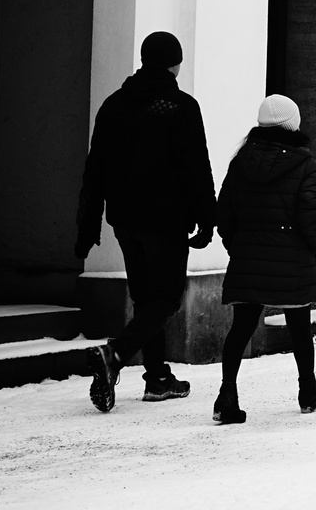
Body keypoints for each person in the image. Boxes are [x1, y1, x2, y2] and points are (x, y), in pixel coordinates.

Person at [75, 30, 216, 412]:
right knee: (166, 297)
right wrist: (207, 216)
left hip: (125, 219)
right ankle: (115, 355)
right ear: (174, 63)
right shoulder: (180, 106)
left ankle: (158, 377)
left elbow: (96, 166)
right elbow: (194, 166)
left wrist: (88, 218)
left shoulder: (114, 104)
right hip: (165, 219)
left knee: (145, 296)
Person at [212, 94, 316, 425]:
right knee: (299, 327)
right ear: (293, 124)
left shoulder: (240, 161)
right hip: (292, 261)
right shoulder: (305, 164)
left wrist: (238, 248)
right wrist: (313, 253)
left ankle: (226, 396)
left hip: (248, 258)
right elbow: (313, 219)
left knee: (241, 328)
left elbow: (224, 214)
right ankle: (307, 391)